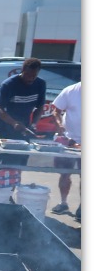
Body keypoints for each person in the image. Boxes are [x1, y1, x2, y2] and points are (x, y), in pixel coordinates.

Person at [0, 57, 46, 183]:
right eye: (28, 75)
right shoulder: (9, 84)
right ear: (23, 70)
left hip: (21, 131)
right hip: (1, 129)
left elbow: (40, 107)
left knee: (15, 164)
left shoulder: (40, 84)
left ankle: (9, 193)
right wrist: (13, 122)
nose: (30, 78)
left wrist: (33, 124)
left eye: (34, 75)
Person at [49, 81, 81, 221]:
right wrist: (59, 124)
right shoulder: (71, 90)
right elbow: (56, 110)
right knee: (64, 174)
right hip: (69, 140)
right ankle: (63, 203)